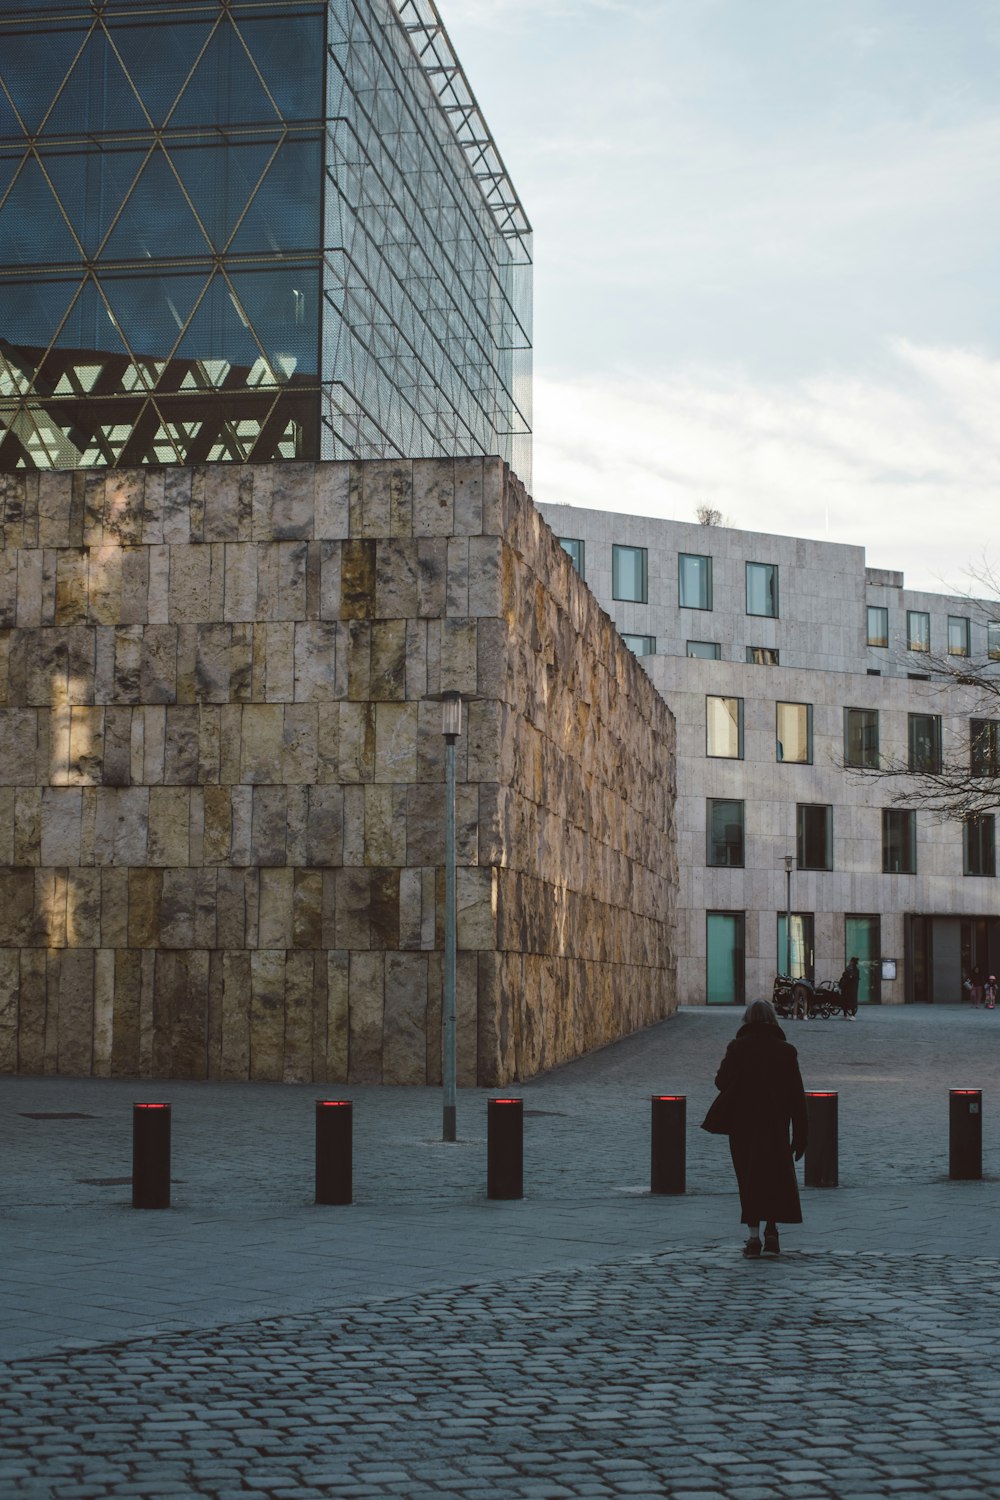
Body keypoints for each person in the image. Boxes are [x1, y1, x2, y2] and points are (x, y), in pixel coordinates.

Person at [706, 998, 808, 1258]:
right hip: (776, 1124)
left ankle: (753, 1237)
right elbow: (797, 1095)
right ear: (772, 1019)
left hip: (744, 1124)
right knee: (774, 1175)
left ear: (747, 1019)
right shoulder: (786, 1051)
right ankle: (772, 1232)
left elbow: (721, 1082)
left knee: (749, 1177)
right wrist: (801, 1133)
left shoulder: (738, 1048)